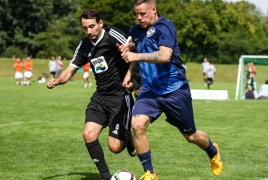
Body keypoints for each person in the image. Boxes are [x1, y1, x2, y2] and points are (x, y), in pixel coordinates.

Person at [117, 1, 222, 179]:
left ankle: (213, 151)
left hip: (174, 90)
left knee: (191, 136)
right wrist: (130, 74)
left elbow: (165, 56)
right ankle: (150, 173)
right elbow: (141, 52)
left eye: (142, 13)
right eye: (136, 14)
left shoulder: (165, 26)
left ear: (154, 9)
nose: (139, 18)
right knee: (137, 125)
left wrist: (135, 54)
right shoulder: (136, 30)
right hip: (150, 90)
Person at [47, 9, 136, 180]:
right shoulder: (84, 46)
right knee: (88, 134)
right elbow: (69, 70)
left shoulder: (111, 35)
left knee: (115, 147)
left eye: (92, 26)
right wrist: (57, 81)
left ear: (100, 23)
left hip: (120, 96)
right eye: (85, 28)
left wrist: (130, 67)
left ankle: (127, 137)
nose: (89, 31)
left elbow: (133, 46)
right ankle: (105, 176)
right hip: (100, 97)